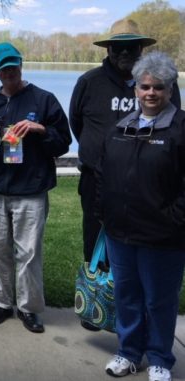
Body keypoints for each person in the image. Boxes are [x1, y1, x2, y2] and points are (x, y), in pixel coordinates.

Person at [69, 19, 181, 331]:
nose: (125, 52)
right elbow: (76, 123)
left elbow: (176, 129)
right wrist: (99, 154)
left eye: (132, 47)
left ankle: (139, 313)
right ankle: (97, 306)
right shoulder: (89, 82)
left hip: (151, 184)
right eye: (118, 47)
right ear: (109, 49)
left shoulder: (161, 84)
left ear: (142, 49)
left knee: (145, 250)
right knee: (97, 241)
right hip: (97, 179)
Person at [99, 52, 184, 381]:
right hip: (121, 232)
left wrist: (174, 218)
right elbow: (103, 174)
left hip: (163, 237)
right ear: (135, 89)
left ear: (169, 89)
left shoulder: (180, 128)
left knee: (159, 301)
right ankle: (128, 352)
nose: (150, 93)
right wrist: (103, 212)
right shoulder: (120, 127)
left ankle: (161, 357)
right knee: (127, 296)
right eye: (144, 86)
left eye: (158, 87)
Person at [0, 43, 71, 333]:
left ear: (21, 64)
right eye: (3, 67)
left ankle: (28, 308)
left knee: (29, 252)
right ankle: (0, 302)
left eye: (13, 65)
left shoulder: (44, 100)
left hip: (31, 188)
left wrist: (40, 129)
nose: (9, 71)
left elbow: (63, 141)